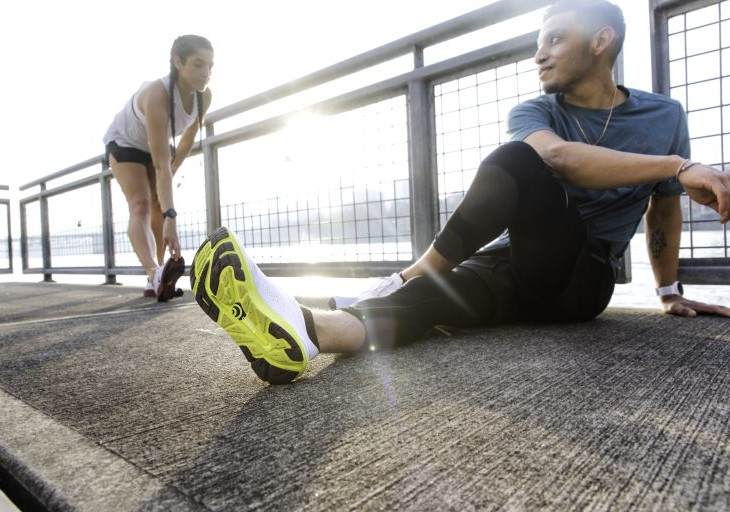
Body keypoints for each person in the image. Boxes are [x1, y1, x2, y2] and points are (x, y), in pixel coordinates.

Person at [190, 0, 730, 385]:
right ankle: (308, 335)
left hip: (582, 279)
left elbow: (663, 208)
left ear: (601, 40)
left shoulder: (664, 116)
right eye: (537, 45)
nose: (538, 56)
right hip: (516, 266)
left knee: (511, 161)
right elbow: (558, 158)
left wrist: (668, 292)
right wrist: (681, 165)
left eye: (554, 40)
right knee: (431, 302)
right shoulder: (536, 111)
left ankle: (395, 278)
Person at [104, 35, 213, 300]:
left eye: (210, 66)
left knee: (159, 206)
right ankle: (153, 272)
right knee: (141, 204)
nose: (206, 73)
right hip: (125, 142)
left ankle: (160, 275)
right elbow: (160, 165)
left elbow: (187, 138)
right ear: (178, 62)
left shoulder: (204, 96)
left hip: (155, 148)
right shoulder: (157, 95)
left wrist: (173, 172)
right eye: (198, 64)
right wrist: (172, 217)